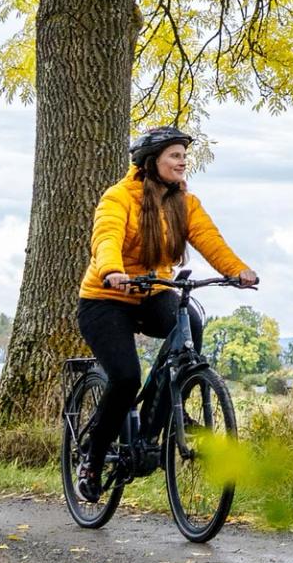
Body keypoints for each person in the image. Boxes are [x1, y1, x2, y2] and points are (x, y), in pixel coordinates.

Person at [76, 123, 257, 480]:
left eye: (184, 156)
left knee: (189, 320)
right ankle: (92, 460)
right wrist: (112, 270)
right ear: (151, 160)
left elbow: (209, 239)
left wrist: (237, 270)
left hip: (153, 291)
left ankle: (155, 423)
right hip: (107, 298)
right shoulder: (119, 197)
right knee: (126, 378)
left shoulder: (185, 204)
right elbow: (106, 237)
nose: (182, 162)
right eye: (175, 156)